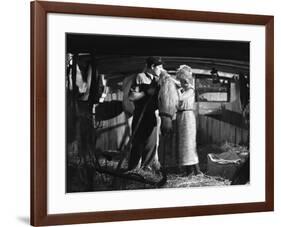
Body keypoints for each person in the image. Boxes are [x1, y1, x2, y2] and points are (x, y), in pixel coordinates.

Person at [127, 56, 164, 171]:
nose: (161, 70)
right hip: (140, 116)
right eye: (159, 67)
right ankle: (132, 171)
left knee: (151, 146)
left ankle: (146, 170)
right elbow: (132, 96)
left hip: (152, 116)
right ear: (152, 66)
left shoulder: (159, 80)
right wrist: (146, 92)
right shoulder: (140, 77)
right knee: (138, 144)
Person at [176, 65, 202, 177]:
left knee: (189, 144)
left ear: (185, 80)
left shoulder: (190, 89)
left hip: (187, 116)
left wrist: (176, 90)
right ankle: (190, 170)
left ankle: (195, 171)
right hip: (182, 116)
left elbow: (180, 98)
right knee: (184, 144)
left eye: (182, 81)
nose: (180, 83)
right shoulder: (184, 89)